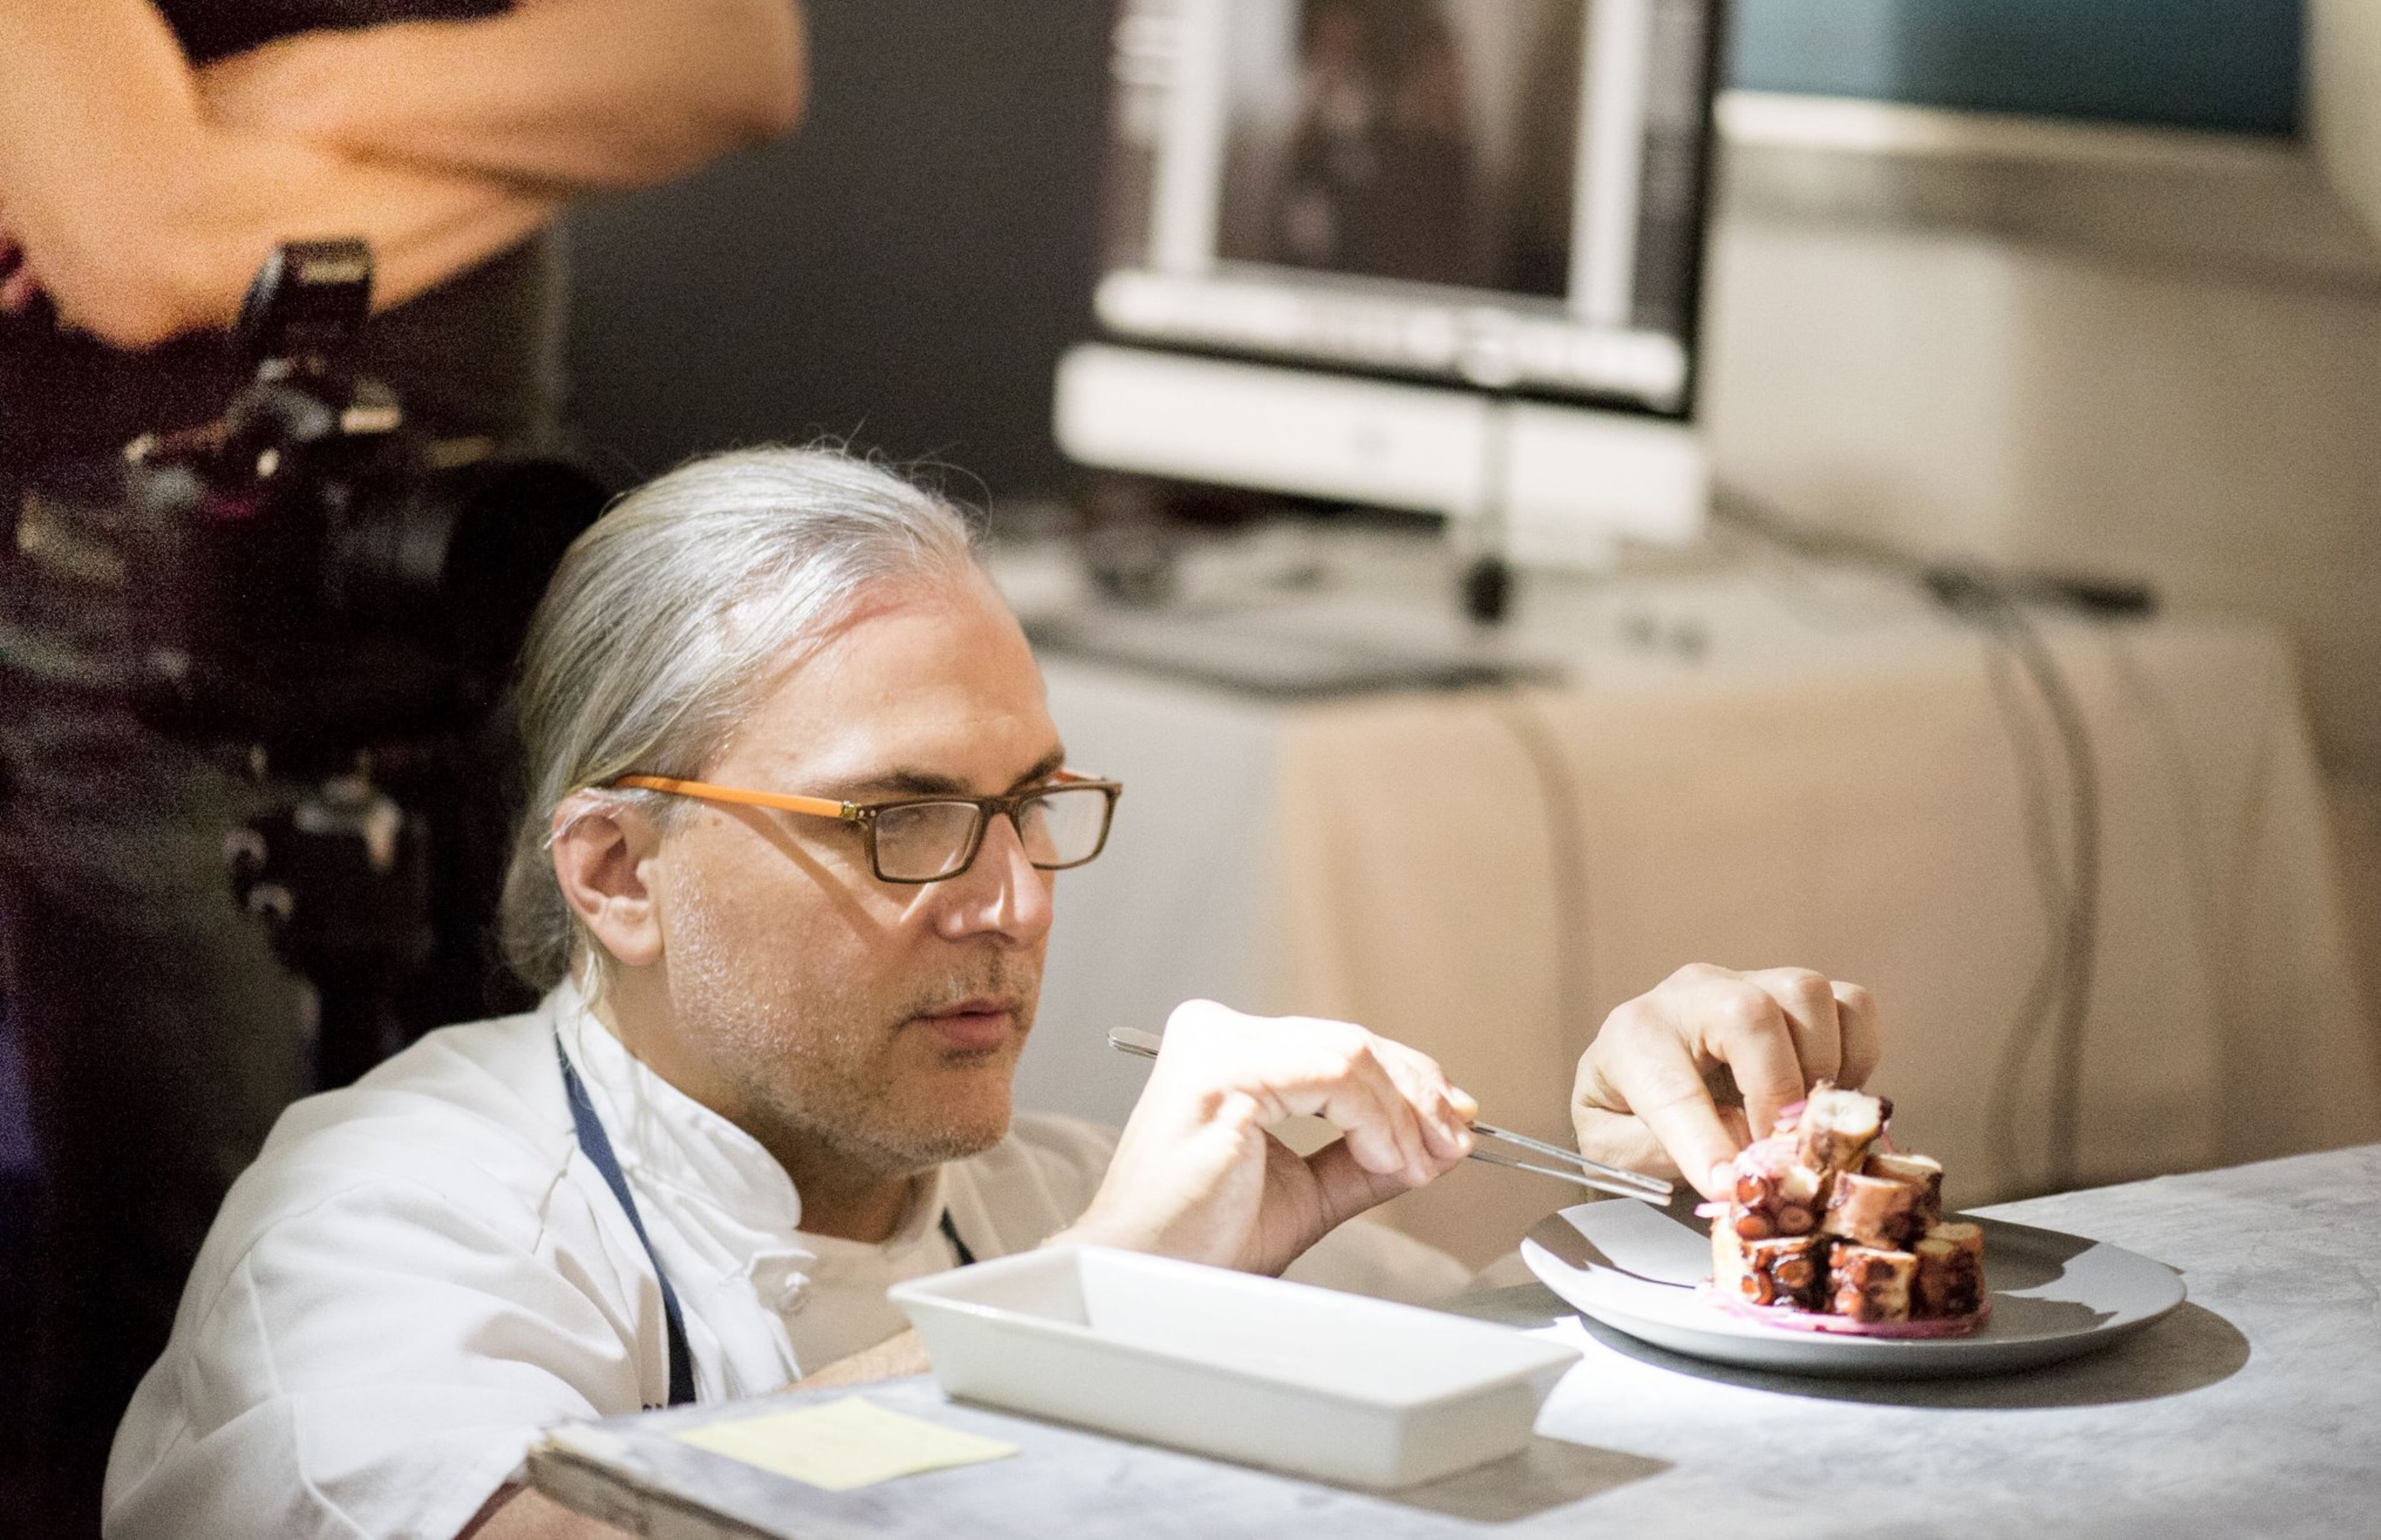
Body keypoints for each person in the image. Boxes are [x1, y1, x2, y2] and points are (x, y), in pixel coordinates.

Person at [102, 446, 1882, 1540]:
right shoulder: (385, 1208)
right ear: (617, 876)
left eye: (1031, 805)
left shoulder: (1041, 1189)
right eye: (901, 818)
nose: (1016, 901)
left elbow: (1564, 1420)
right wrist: (1103, 1300)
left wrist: (1673, 1191)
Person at [0, 0, 805, 1531]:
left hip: (487, 558)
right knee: (202, 1271)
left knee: (569, 1215)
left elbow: (735, 62)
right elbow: (143, 253)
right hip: (146, 591)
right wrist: (558, 119)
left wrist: (296, 99)